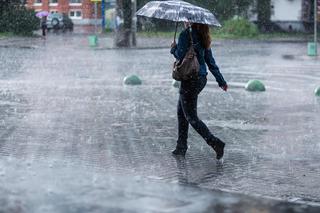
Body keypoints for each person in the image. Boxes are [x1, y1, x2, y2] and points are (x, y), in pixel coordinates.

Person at [170, 22, 228, 160]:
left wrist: (173, 48)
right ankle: (181, 147)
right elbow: (210, 61)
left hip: (190, 78)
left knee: (191, 117)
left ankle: (215, 143)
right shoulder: (204, 36)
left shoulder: (185, 35)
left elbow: (180, 55)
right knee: (181, 112)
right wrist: (221, 81)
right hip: (201, 79)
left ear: (190, 21)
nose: (185, 21)